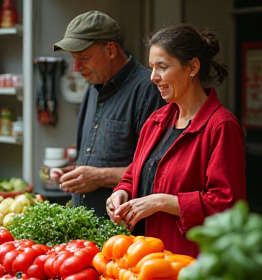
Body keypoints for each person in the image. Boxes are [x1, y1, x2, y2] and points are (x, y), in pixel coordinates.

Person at [106, 23, 247, 257]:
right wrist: (121, 192)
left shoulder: (221, 126)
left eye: (163, 67)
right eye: (152, 67)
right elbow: (134, 175)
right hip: (143, 259)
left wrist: (162, 202)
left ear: (192, 67)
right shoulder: (156, 121)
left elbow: (227, 205)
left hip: (187, 263)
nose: (153, 77)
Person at [51, 11, 166, 217]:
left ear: (111, 50)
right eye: (74, 59)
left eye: (83, 58)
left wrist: (99, 177)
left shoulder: (148, 90)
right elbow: (96, 159)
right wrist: (75, 173)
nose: (77, 68)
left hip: (122, 233)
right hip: (84, 228)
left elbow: (157, 171)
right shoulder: (92, 87)